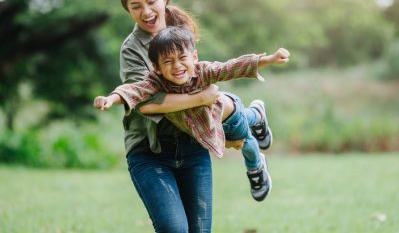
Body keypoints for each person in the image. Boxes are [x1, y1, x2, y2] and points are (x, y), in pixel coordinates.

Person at [99, 0, 273, 232]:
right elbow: (147, 103)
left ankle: (253, 124)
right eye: (136, 6)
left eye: (151, 2)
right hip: (151, 151)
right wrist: (202, 98)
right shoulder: (132, 49)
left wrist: (263, 60)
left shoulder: (180, 29)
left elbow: (220, 68)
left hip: (192, 144)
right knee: (174, 229)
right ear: (128, 10)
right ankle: (253, 125)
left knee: (224, 104)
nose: (145, 12)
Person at [94, 26, 290, 202]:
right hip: (208, 124)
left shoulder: (203, 71)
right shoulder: (156, 83)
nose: (177, 66)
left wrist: (268, 59)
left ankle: (256, 167)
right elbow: (134, 90)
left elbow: (231, 67)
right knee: (246, 124)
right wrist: (111, 99)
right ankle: (256, 114)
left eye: (182, 58)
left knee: (246, 142)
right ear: (157, 67)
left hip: (227, 116)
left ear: (194, 57)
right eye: (168, 61)